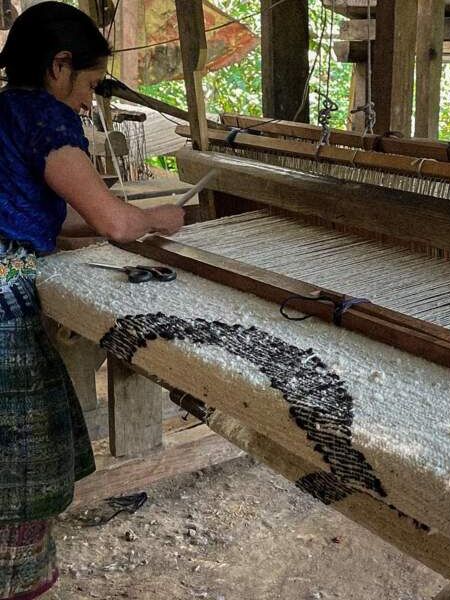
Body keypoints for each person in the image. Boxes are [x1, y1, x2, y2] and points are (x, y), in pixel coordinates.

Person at [0, 3, 184, 598]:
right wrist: (170, 216)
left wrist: (123, 221)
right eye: (88, 84)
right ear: (59, 66)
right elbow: (114, 224)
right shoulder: (47, 119)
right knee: (16, 459)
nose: (87, 101)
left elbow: (38, 217)